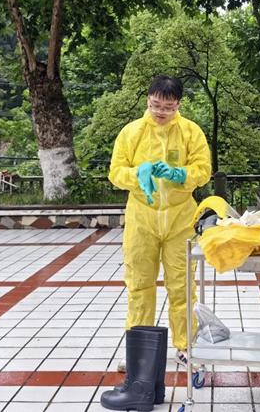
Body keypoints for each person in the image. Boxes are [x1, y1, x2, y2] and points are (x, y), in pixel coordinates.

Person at [109, 75, 212, 369]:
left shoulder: (191, 132)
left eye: (168, 107)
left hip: (181, 219)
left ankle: (185, 345)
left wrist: (182, 174)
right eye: (155, 105)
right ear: (148, 100)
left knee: (182, 287)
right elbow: (115, 172)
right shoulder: (132, 132)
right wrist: (137, 174)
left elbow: (203, 169)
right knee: (139, 285)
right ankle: (138, 351)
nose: (161, 112)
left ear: (178, 104)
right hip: (142, 218)